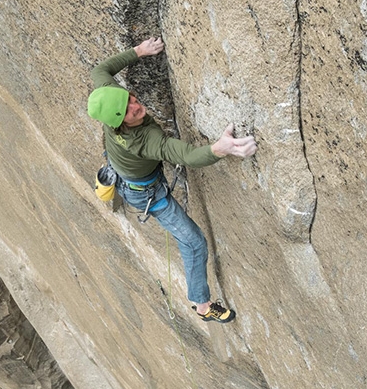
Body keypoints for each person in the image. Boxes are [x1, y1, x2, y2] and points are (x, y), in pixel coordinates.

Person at [87, 37, 257, 323]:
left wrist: (139, 51)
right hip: (145, 192)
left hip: (128, 170)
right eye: (129, 110)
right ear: (118, 122)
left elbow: (101, 69)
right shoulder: (144, 140)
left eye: (130, 98)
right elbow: (184, 154)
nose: (135, 105)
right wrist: (220, 149)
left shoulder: (110, 99)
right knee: (194, 242)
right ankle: (202, 306)